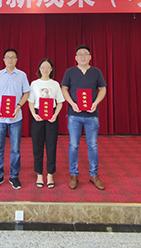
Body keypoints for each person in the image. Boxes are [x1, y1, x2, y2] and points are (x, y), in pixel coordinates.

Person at [61, 45, 107, 191]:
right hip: (74, 115)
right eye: (79, 54)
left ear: (90, 57)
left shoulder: (96, 72)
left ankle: (94, 175)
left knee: (93, 145)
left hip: (92, 115)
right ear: (75, 57)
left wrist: (96, 103)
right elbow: (64, 89)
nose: (82, 56)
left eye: (85, 54)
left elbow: (103, 89)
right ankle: (73, 175)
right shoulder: (70, 72)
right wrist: (72, 103)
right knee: (73, 144)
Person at [0, 48, 30, 189]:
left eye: (13, 57)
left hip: (16, 118)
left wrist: (18, 107)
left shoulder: (22, 75)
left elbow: (26, 93)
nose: (10, 59)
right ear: (4, 59)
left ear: (17, 59)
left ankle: (14, 176)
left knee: (15, 149)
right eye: (8, 57)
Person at [28, 58, 64, 189]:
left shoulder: (55, 84)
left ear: (51, 69)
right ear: (39, 69)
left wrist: (55, 115)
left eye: (48, 67)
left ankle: (50, 174)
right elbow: (31, 101)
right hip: (37, 116)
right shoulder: (34, 84)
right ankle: (39, 174)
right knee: (37, 146)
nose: (45, 69)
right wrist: (34, 114)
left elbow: (60, 102)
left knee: (51, 146)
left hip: (51, 117)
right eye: (43, 67)